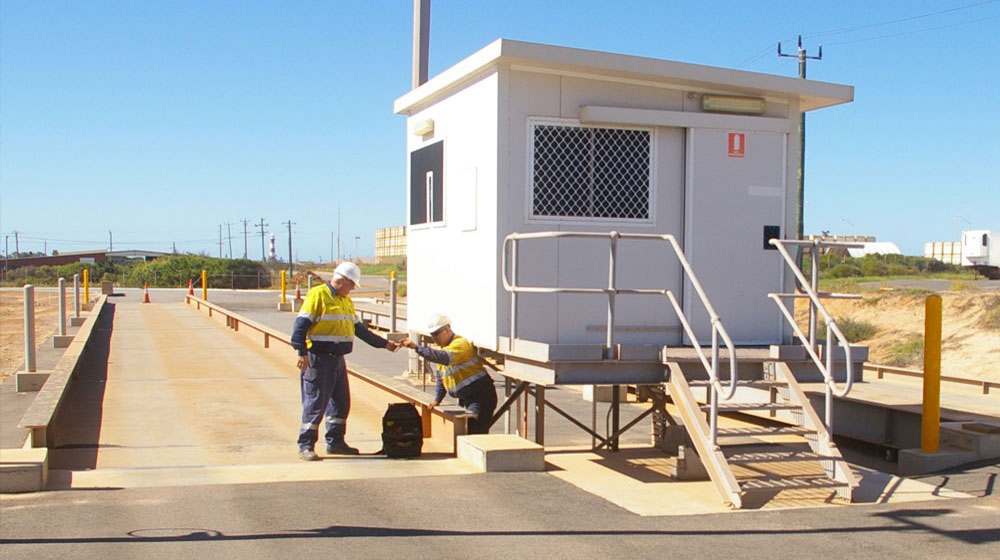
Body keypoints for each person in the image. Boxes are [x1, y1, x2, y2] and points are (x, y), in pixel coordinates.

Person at [291, 261, 399, 461]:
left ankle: (336, 443)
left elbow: (360, 331)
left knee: (340, 403)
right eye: (351, 285)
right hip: (318, 358)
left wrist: (385, 344)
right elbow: (300, 327)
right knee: (315, 403)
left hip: (337, 360)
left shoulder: (345, 301)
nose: (352, 289)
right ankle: (306, 445)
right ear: (341, 280)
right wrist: (301, 352)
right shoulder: (319, 295)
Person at [400, 314, 497, 434]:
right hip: (465, 398)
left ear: (447, 330)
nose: (435, 338)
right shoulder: (444, 350)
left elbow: (443, 358)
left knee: (474, 433)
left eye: (437, 333)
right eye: (432, 334)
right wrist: (437, 399)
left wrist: (416, 347)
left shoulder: (460, 344)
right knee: (464, 431)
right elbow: (442, 378)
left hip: (480, 397)